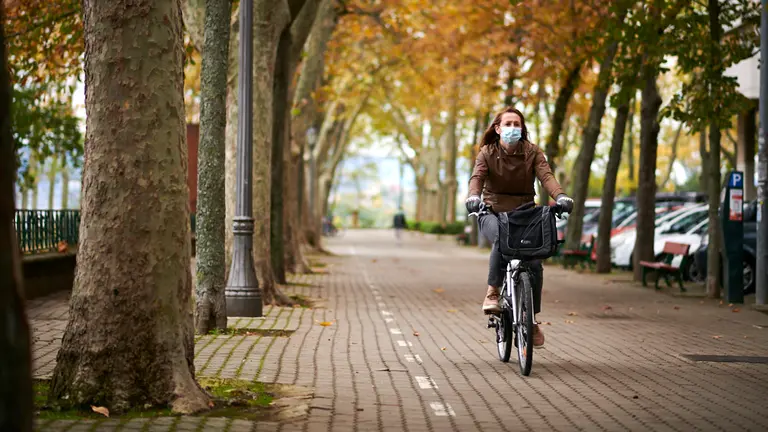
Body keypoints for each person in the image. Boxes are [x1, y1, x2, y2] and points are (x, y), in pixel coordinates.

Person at [465, 107, 573, 347]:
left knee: (534, 261)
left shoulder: (532, 152)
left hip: (524, 214)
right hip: (492, 211)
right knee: (502, 240)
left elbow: (546, 177)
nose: (513, 128)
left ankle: (531, 319)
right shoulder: (487, 153)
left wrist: (561, 197)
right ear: (498, 128)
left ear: (522, 128)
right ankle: (493, 292)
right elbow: (477, 178)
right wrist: (473, 197)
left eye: (517, 124)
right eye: (509, 123)